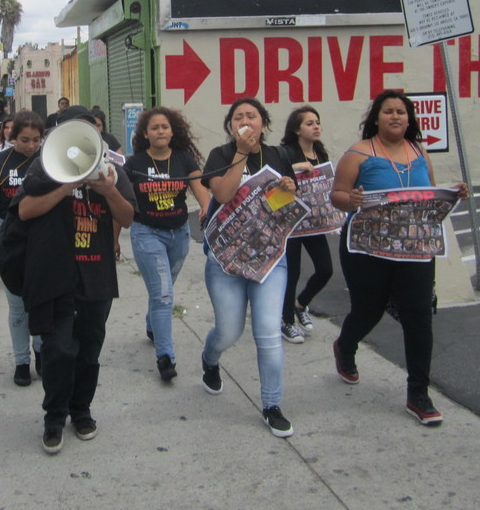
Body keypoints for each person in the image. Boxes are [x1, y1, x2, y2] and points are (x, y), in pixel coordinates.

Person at [329, 90, 468, 427]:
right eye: (388, 111)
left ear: (410, 119)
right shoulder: (359, 153)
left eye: (401, 112)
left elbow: (429, 194)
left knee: (419, 316)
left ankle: (418, 393)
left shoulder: (420, 151)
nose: (395, 117)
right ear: (375, 118)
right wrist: (353, 200)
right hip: (366, 249)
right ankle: (346, 345)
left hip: (415, 251)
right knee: (369, 309)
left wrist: (453, 194)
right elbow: (337, 195)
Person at [13, 105, 137, 455]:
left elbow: (126, 217)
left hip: (95, 273)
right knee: (57, 350)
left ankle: (81, 410)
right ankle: (54, 417)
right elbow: (24, 211)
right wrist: (68, 185)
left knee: (89, 350)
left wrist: (107, 190)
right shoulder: (46, 167)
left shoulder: (112, 170)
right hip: (55, 274)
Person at [200, 97, 297, 437]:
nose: (245, 120)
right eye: (238, 116)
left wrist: (287, 188)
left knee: (268, 331)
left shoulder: (279, 156)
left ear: (263, 124)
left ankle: (271, 405)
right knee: (229, 331)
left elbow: (282, 206)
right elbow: (224, 195)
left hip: (270, 258)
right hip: (225, 260)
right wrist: (240, 154)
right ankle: (210, 360)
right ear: (231, 126)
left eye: (252, 116)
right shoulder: (219, 155)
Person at [124, 107, 209, 382]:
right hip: (147, 234)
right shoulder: (134, 164)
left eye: (164, 127)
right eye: (154, 128)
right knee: (163, 294)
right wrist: (114, 238)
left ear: (173, 131)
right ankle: (165, 357)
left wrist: (207, 208)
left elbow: (200, 190)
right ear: (145, 134)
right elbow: (123, 202)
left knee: (164, 287)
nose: (160, 132)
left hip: (180, 235)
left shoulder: (184, 159)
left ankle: (152, 325)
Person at [0, 111, 43, 386]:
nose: (30, 146)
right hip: (6, 233)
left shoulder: (47, 161)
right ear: (12, 137)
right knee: (16, 305)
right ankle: (21, 361)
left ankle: (41, 351)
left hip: (41, 235)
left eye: (36, 140)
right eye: (24, 140)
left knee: (40, 301)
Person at [278, 105, 335, 344]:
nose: (316, 126)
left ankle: (300, 304)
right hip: (291, 223)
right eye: (309, 123)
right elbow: (273, 178)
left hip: (313, 223)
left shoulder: (321, 154)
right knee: (292, 272)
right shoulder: (285, 153)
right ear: (296, 129)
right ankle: (286, 321)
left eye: (317, 122)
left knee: (325, 269)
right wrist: (297, 167)